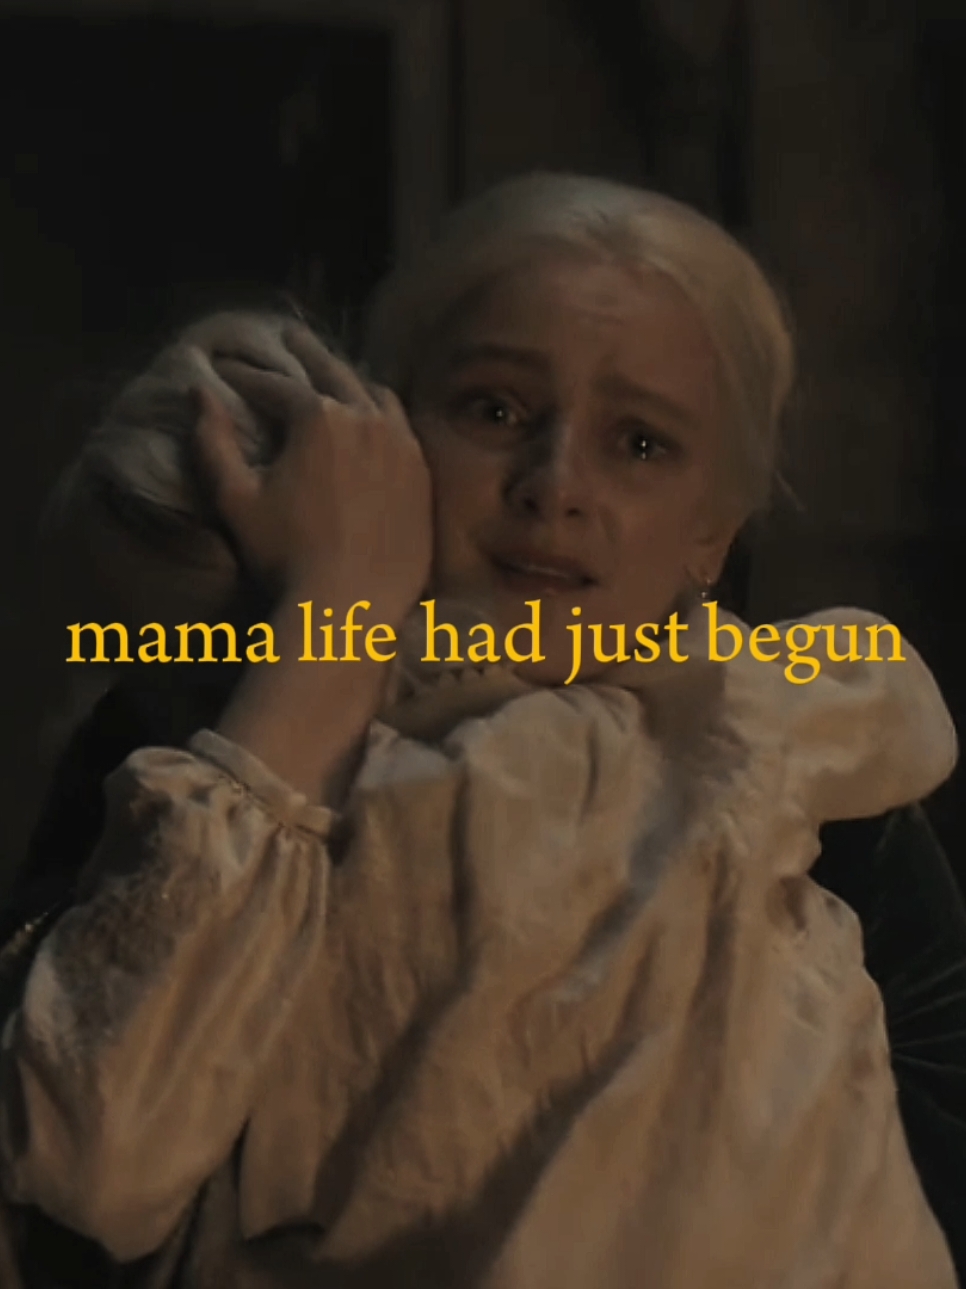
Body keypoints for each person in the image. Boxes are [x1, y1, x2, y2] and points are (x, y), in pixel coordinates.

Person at [0, 173, 963, 1288]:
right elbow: (70, 1181)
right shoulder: (201, 724)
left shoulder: (817, 776)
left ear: (711, 533)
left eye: (639, 443)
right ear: (387, 436)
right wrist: (330, 632)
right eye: (495, 411)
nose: (554, 486)